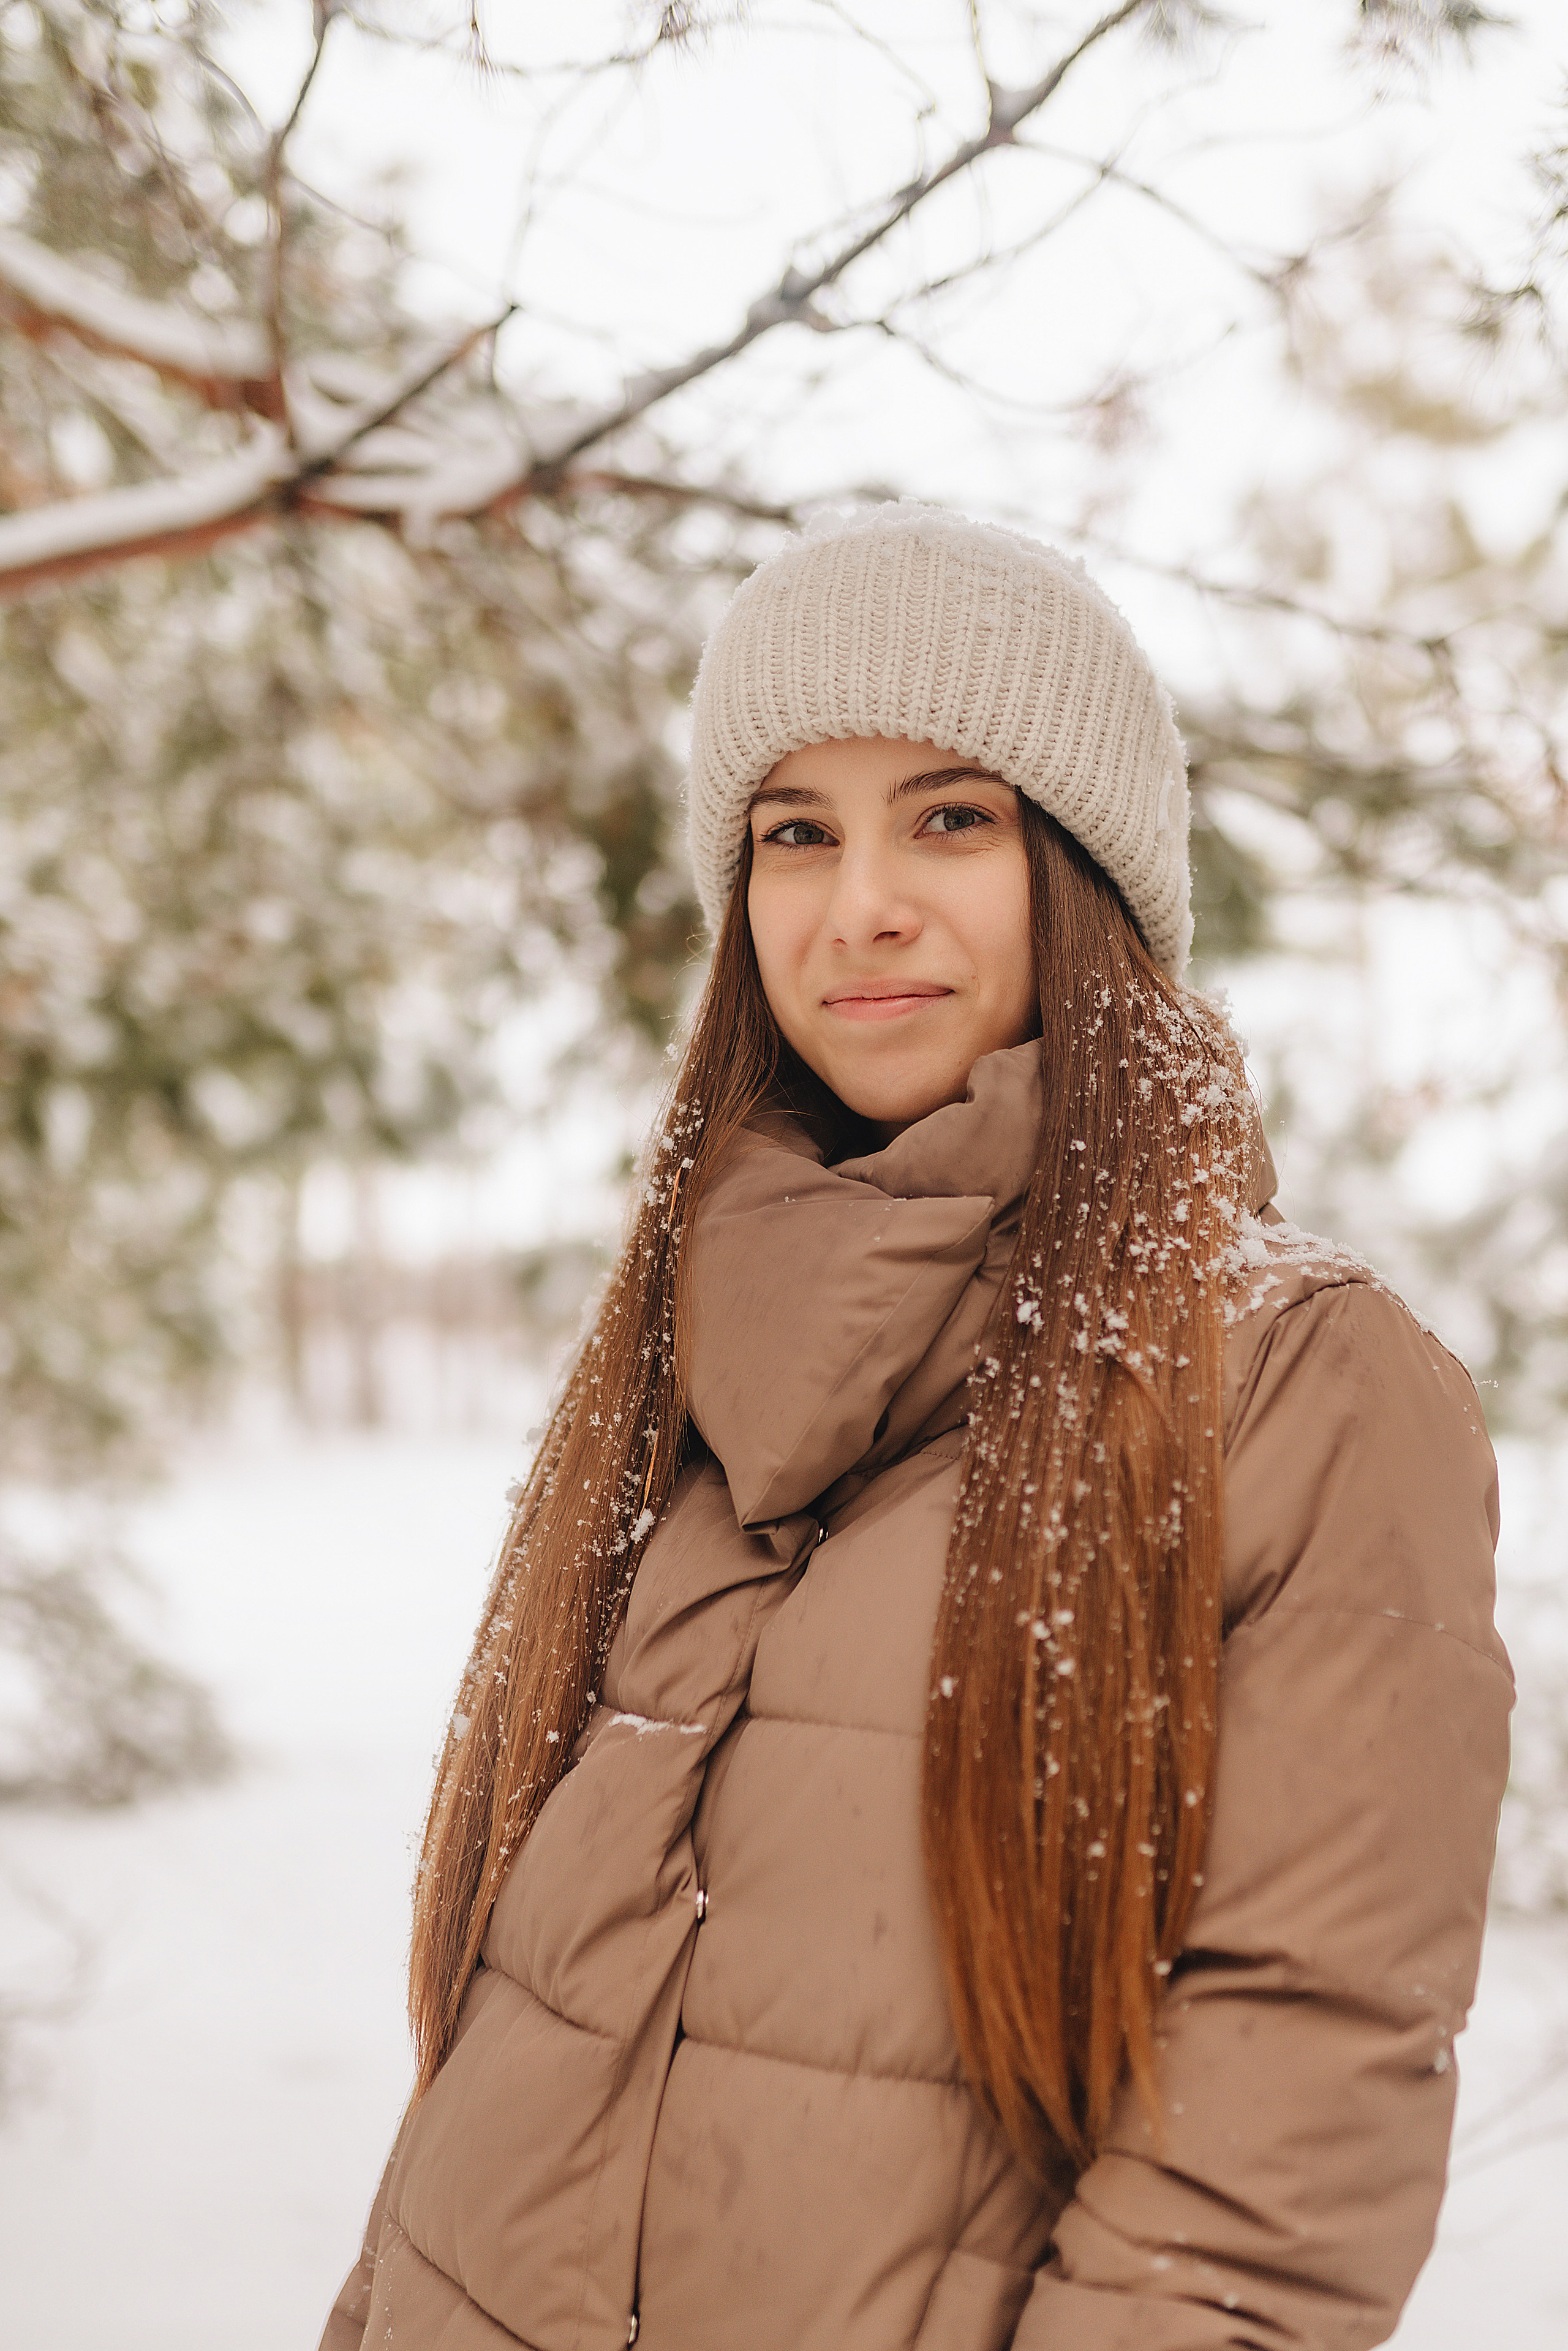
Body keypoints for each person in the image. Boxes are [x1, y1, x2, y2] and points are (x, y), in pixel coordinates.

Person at [321, 504, 1512, 2351]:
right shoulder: (694, 1376)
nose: (858, 900)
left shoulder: (1293, 1382)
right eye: (796, 832)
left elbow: (1278, 2137)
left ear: (1089, 873)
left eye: (948, 817)